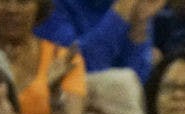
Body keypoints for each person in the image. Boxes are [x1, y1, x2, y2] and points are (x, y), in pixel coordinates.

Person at [33, 0, 164, 81]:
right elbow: (77, 69)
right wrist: (121, 11)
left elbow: (138, 79)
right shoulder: (51, 5)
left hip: (116, 104)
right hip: (63, 99)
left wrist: (140, 23)